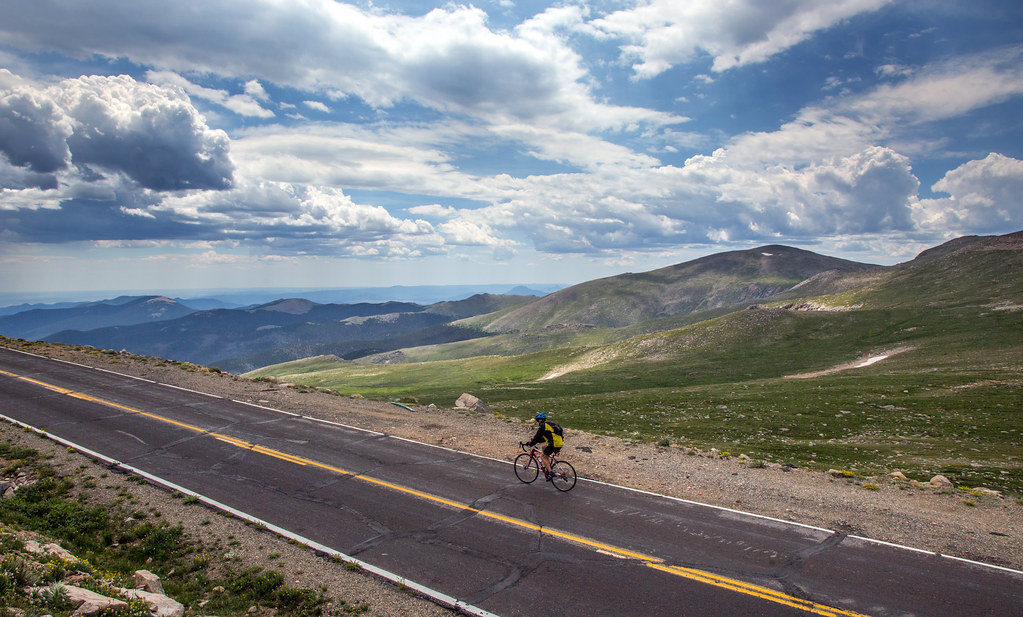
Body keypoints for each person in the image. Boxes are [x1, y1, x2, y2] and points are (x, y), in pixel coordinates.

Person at [524, 413, 563, 480]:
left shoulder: (543, 426)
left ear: (539, 421)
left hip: (553, 443)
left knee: (543, 456)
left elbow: (537, 436)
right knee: (543, 448)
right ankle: (547, 468)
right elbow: (544, 438)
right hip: (560, 442)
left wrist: (531, 443)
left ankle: (550, 472)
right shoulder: (550, 424)